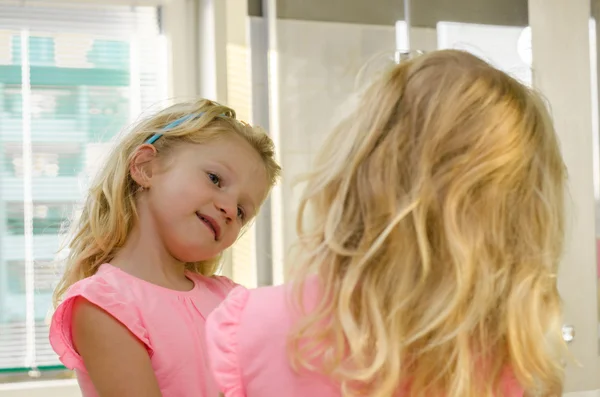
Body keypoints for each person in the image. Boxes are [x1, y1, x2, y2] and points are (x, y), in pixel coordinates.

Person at [205, 50, 567, 397]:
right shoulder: (515, 354)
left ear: (354, 170)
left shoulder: (251, 324)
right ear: (523, 216)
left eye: (242, 211)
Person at [49, 99, 281, 397]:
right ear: (146, 167)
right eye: (215, 179)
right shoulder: (103, 304)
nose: (228, 209)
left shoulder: (231, 299)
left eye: (241, 211)